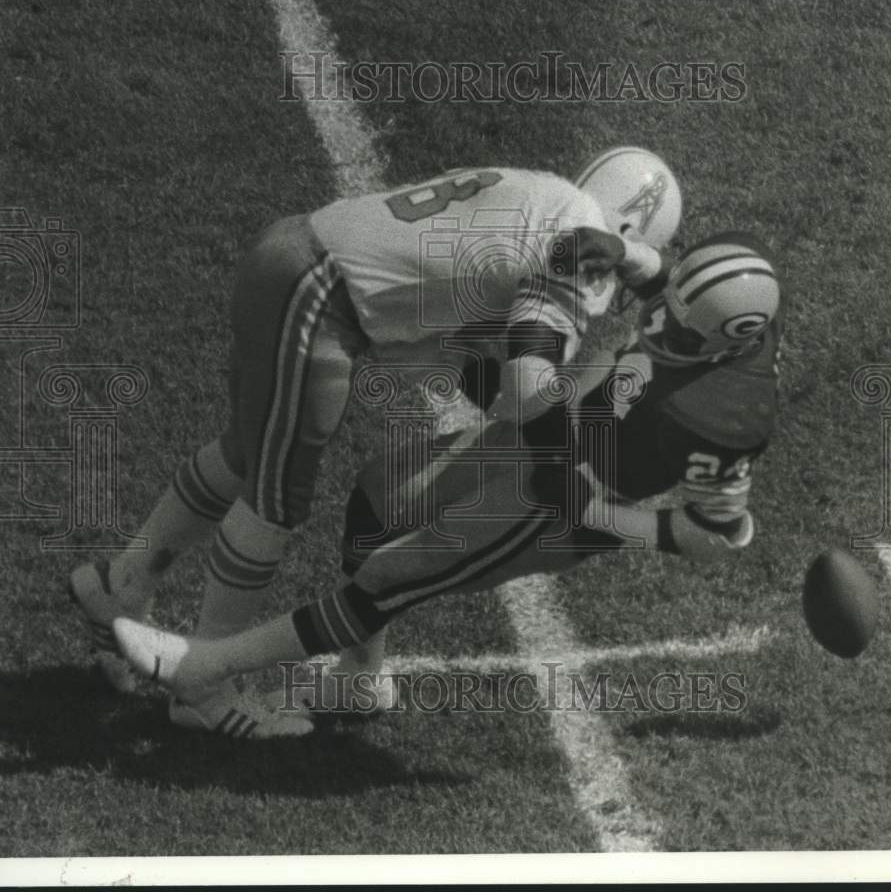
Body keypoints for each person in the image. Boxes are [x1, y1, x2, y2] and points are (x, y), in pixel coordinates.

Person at [69, 148, 682, 738]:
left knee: (243, 454)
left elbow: (472, 343)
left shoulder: (549, 195)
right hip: (315, 294)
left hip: (292, 252)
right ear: (627, 225)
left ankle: (121, 586)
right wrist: (557, 471)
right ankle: (200, 688)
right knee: (276, 496)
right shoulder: (580, 247)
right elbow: (526, 379)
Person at [112, 231, 782, 731]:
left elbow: (715, 536)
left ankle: (204, 668)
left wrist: (595, 514)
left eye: (681, 333)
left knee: (390, 576)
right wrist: (628, 253)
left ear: (729, 343)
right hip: (556, 426)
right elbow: (667, 282)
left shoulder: (728, 416)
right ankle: (360, 680)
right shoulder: (717, 293)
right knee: (380, 496)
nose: (658, 324)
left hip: (567, 498)